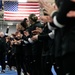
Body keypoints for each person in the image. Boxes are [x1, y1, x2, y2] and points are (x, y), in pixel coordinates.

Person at [39, 0, 75, 75]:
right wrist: (52, 19)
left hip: (70, 47)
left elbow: (60, 21)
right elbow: (55, 26)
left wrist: (53, 12)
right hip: (63, 48)